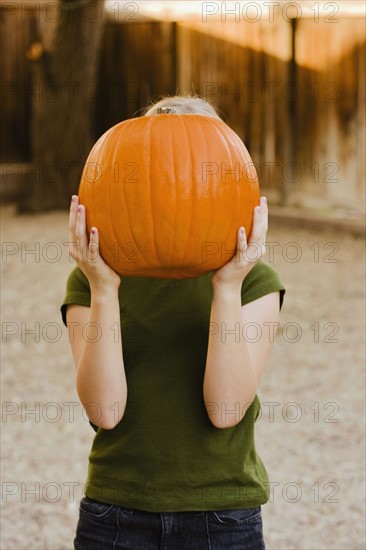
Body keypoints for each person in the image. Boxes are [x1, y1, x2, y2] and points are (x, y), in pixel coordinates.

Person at [60, 95, 286, 550]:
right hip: (115, 512)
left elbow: (225, 411)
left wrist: (226, 287)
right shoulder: (94, 281)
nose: (173, 187)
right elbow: (105, 411)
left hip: (223, 515)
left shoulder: (254, 282)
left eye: (196, 175)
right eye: (152, 175)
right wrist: (104, 289)